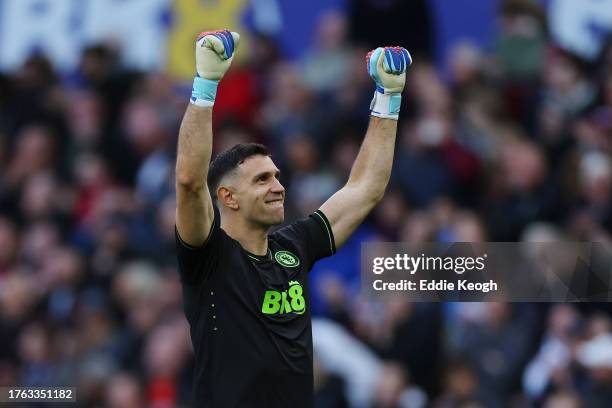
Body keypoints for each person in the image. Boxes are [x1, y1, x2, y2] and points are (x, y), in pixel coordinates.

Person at [174, 29, 411, 407]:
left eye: (278, 177)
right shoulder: (208, 256)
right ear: (228, 197)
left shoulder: (294, 246)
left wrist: (388, 98)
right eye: (262, 179)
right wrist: (205, 86)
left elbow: (365, 189)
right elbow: (189, 182)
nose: (278, 187)